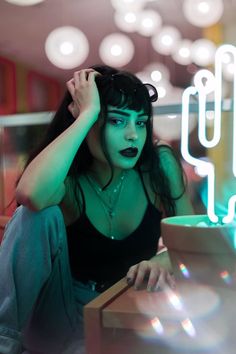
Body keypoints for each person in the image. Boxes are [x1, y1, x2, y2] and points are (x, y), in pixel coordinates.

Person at [0, 65, 193, 354]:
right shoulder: (68, 176)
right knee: (38, 214)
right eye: (117, 121)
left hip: (127, 308)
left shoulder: (158, 164)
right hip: (61, 313)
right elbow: (29, 195)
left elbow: (191, 239)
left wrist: (161, 262)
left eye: (140, 123)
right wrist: (88, 114)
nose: (133, 136)